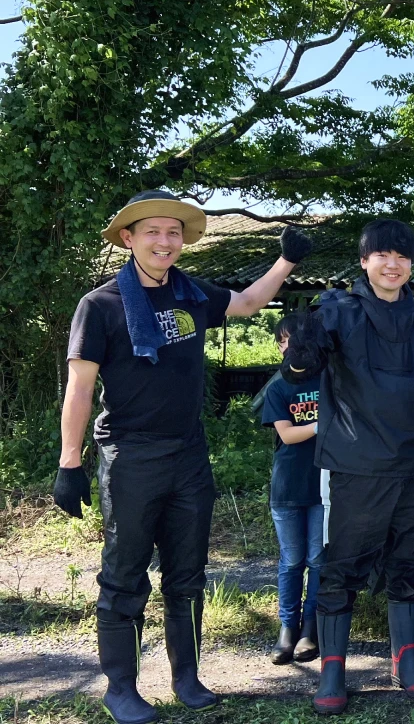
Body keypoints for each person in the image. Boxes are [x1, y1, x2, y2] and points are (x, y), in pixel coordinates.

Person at [52, 189, 312, 724]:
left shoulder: (191, 293)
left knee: (187, 574)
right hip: (130, 455)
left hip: (189, 454)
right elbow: (80, 388)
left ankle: (186, 677)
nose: (164, 241)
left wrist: (286, 260)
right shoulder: (100, 305)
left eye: (173, 232)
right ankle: (121, 688)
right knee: (125, 575)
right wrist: (69, 462)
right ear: (129, 238)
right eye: (152, 231)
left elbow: (247, 303)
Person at [282, 219, 414, 716]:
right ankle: (332, 673)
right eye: (382, 255)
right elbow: (300, 369)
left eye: (402, 256)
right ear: (364, 261)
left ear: (411, 264)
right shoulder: (339, 312)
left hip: (411, 465)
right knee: (344, 567)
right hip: (357, 465)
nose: (392, 264)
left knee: (407, 563)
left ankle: (407, 662)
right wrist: (302, 348)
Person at [261, 313, 323, 666]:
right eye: (281, 342)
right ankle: (287, 628)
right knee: (291, 561)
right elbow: (286, 434)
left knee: (317, 559)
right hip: (287, 488)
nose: (286, 347)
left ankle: (309, 630)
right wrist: (321, 423)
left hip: (323, 487)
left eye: (290, 339)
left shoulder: (328, 378)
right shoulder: (278, 388)